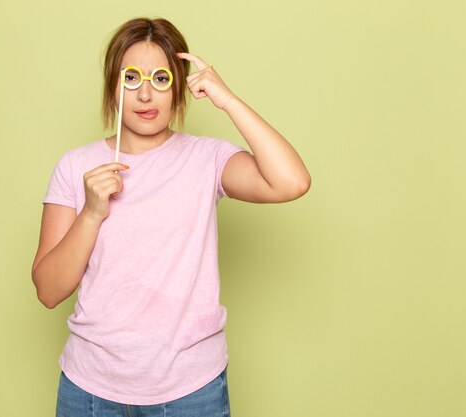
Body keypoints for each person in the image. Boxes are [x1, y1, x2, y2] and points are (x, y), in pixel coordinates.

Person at [31, 17, 311, 417]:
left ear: (179, 88)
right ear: (113, 87)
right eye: (131, 78)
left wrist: (227, 99)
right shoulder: (76, 166)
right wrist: (92, 213)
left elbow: (292, 182)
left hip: (190, 390)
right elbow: (48, 291)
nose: (145, 94)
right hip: (90, 389)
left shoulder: (207, 158)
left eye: (161, 78)